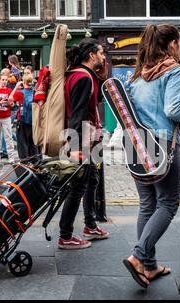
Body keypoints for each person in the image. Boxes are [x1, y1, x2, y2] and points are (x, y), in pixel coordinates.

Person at [123, 24, 180, 288]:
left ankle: (149, 266)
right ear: (173, 44)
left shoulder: (138, 75)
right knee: (167, 203)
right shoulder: (175, 71)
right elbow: (174, 109)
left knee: (147, 205)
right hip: (160, 144)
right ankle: (138, 257)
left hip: (135, 144)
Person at [57, 38, 110, 250]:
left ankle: (90, 225)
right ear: (91, 56)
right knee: (78, 186)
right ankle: (66, 235)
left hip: (89, 136)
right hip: (83, 137)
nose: (104, 56)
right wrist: (75, 148)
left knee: (93, 179)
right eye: (101, 53)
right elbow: (77, 115)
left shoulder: (76, 74)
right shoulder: (83, 78)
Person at [10, 74, 40, 161]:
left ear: (23, 82)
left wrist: (16, 87)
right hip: (34, 121)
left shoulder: (20, 93)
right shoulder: (36, 92)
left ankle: (25, 162)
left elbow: (10, 99)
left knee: (23, 143)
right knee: (34, 143)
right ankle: (35, 161)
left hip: (23, 121)